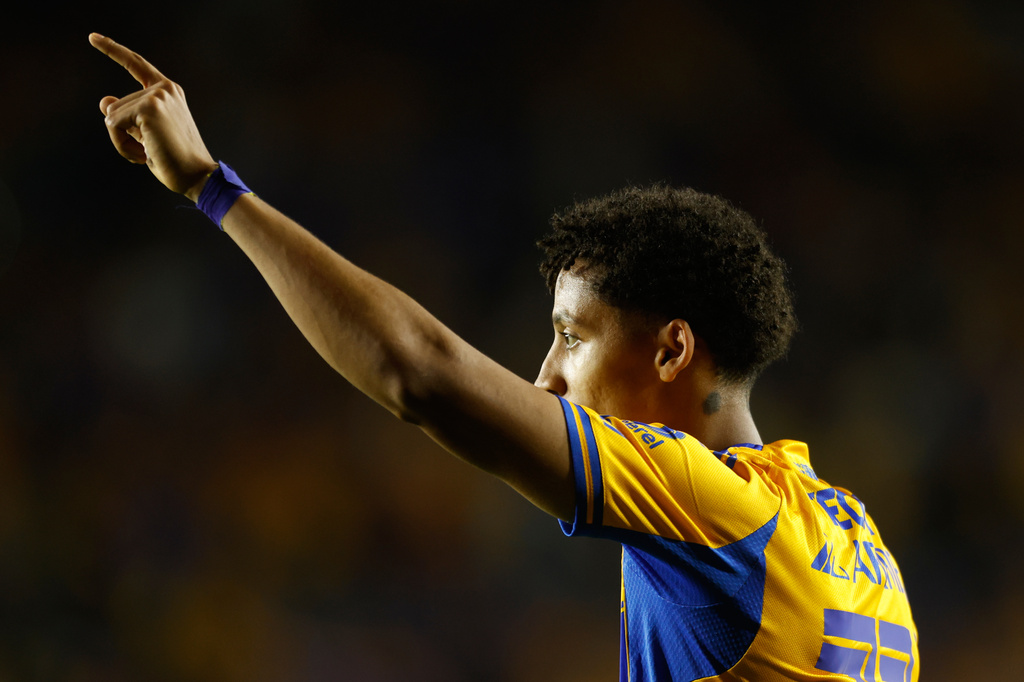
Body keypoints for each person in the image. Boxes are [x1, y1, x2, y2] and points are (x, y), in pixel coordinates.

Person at [89, 33, 919, 681]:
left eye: (571, 335)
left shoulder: (710, 505)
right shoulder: (858, 543)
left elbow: (423, 373)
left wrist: (209, 185)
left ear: (671, 350)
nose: (546, 377)